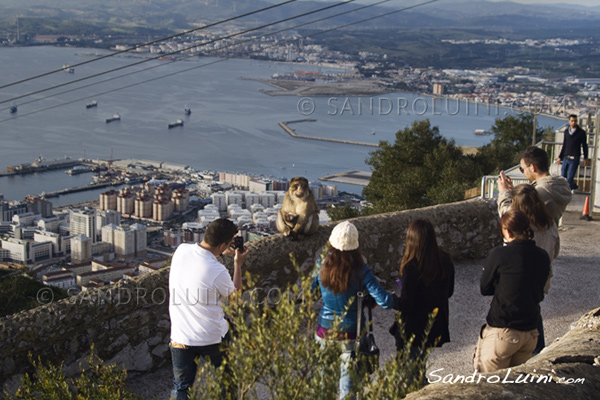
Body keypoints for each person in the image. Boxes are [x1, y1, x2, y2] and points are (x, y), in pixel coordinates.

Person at [312, 221, 394, 400]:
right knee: (347, 391)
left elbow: (309, 294)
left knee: (323, 387)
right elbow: (385, 301)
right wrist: (395, 297)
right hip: (352, 337)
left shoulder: (321, 265)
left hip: (324, 333)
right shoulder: (361, 271)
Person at [169, 218, 249, 400]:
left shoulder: (181, 250)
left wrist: (220, 251)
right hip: (212, 338)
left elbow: (200, 256)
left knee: (181, 387)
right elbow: (235, 299)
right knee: (227, 383)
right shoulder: (217, 270)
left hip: (181, 337)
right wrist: (237, 264)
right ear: (222, 245)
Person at [473, 210, 550, 373]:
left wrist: (500, 285)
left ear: (507, 231)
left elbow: (484, 287)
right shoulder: (543, 256)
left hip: (503, 330)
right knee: (516, 386)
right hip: (530, 333)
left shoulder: (500, 254)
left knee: (489, 385)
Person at [390, 219, 455, 358]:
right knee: (419, 368)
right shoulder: (445, 259)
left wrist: (393, 299)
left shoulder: (412, 266)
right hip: (433, 325)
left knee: (410, 374)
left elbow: (406, 304)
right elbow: (449, 292)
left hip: (413, 329)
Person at [507, 184, 558, 354]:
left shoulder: (517, 226)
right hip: (541, 278)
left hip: (517, 280)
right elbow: (555, 250)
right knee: (534, 311)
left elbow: (503, 211)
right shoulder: (550, 223)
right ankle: (537, 351)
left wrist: (504, 192)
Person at [498, 146, 571, 226]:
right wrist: (514, 192)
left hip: (534, 237)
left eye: (522, 169)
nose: (523, 173)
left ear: (532, 167)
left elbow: (510, 216)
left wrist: (504, 192)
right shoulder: (558, 185)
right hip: (551, 236)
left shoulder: (537, 194)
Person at [557, 114, 589, 192]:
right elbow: (564, 145)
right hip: (566, 157)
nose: (573, 122)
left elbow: (584, 145)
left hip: (574, 158)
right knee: (563, 175)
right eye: (572, 121)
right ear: (569, 121)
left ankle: (568, 192)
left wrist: (585, 157)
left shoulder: (581, 133)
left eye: (575, 121)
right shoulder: (566, 132)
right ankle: (572, 187)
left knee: (570, 177)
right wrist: (560, 157)